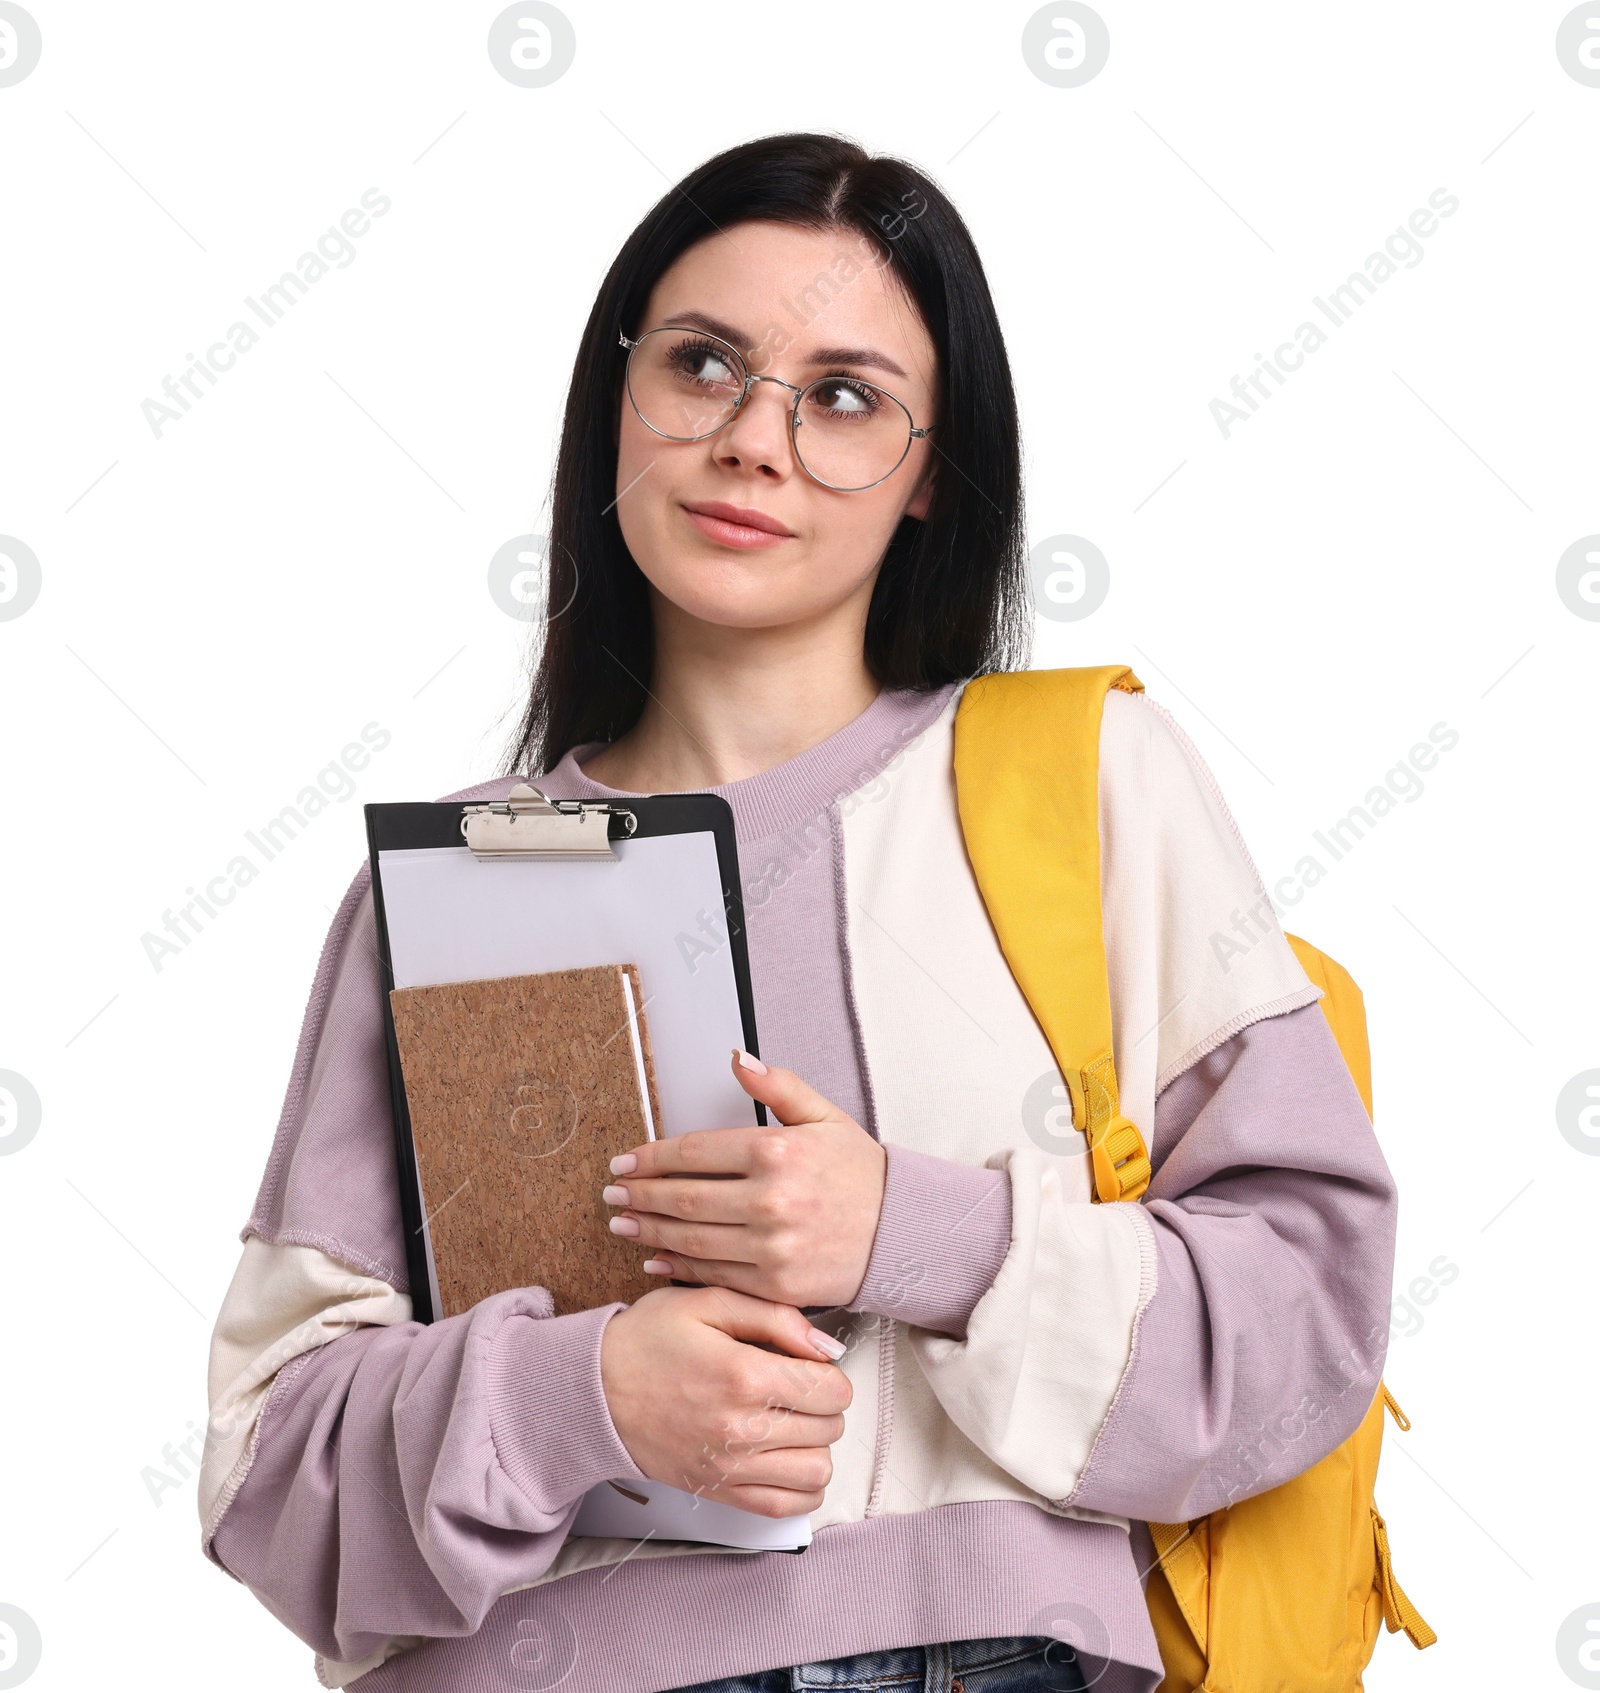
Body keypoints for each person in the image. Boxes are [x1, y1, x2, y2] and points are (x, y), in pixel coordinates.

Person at [200, 133, 1397, 1693]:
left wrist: (912, 1230)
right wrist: (588, 1395)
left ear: (931, 475)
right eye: (703, 364)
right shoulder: (460, 889)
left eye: (843, 396)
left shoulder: (1082, 788)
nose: (755, 441)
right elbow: (267, 1473)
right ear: (617, 401)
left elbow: (1308, 1318)